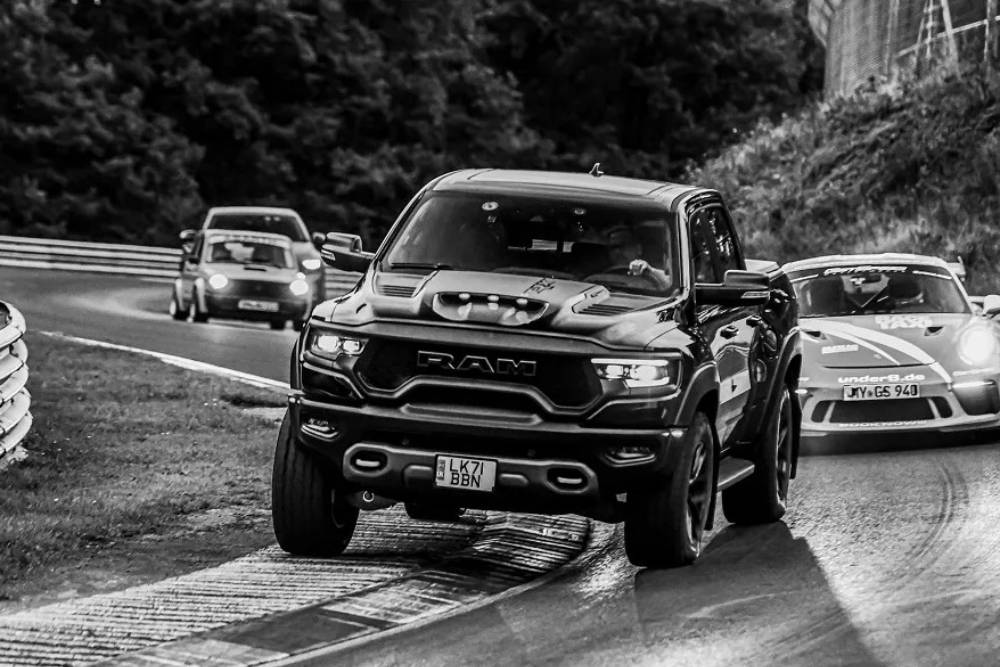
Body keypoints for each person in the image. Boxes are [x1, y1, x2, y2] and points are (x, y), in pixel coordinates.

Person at [603, 226, 671, 291]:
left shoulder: (653, 272)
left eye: (624, 245)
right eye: (614, 247)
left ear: (639, 249)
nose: (617, 251)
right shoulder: (601, 278)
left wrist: (651, 271)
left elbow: (670, 286)